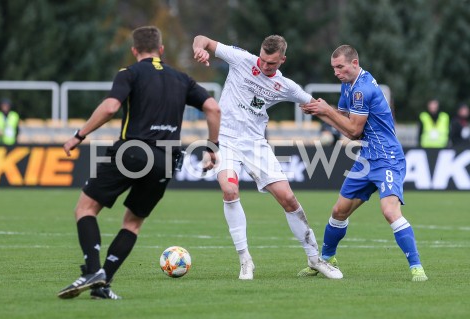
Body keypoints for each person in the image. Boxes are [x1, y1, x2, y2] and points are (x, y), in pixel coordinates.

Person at [57, 26, 221, 300]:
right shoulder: (182, 79)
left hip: (132, 152)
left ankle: (93, 271)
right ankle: (103, 285)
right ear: (162, 50)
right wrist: (212, 148)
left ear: (135, 51)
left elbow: (110, 108)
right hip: (167, 160)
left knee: (85, 208)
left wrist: (79, 135)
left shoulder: (129, 73)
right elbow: (214, 108)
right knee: (132, 224)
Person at [192, 35, 342, 280]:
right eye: (262, 59)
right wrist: (200, 50)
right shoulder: (241, 59)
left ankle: (315, 259)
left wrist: (345, 127)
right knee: (229, 191)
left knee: (288, 198)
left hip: (255, 145)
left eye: (271, 63)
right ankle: (245, 261)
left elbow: (315, 106)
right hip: (226, 140)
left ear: (282, 60)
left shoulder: (286, 86)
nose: (263, 66)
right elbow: (201, 39)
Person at [300, 44, 428, 282]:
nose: (336, 72)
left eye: (340, 67)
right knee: (339, 211)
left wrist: (325, 109)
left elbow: (354, 128)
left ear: (355, 64)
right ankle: (325, 261)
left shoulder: (362, 89)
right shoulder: (347, 85)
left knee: (390, 211)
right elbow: (349, 132)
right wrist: (323, 113)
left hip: (387, 157)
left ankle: (416, 267)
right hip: (367, 158)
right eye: (334, 68)